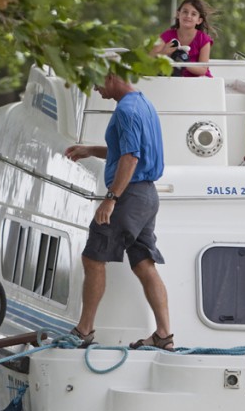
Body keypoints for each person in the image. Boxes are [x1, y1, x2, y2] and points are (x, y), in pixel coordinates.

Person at [64, 74, 173, 350]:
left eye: (97, 82)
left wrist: (111, 198)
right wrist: (90, 149)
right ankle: (163, 335)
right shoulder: (142, 103)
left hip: (129, 196)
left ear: (112, 76)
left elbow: (131, 157)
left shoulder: (126, 110)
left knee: (92, 258)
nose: (95, 88)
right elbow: (124, 150)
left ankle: (84, 330)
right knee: (143, 263)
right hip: (147, 195)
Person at [149, 0, 217, 77]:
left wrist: (183, 62)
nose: (188, 16)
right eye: (185, 12)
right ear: (178, 14)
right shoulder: (166, 35)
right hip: (174, 80)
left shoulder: (204, 39)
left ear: (199, 20)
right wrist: (163, 52)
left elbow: (203, 69)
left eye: (193, 14)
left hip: (198, 81)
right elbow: (149, 58)